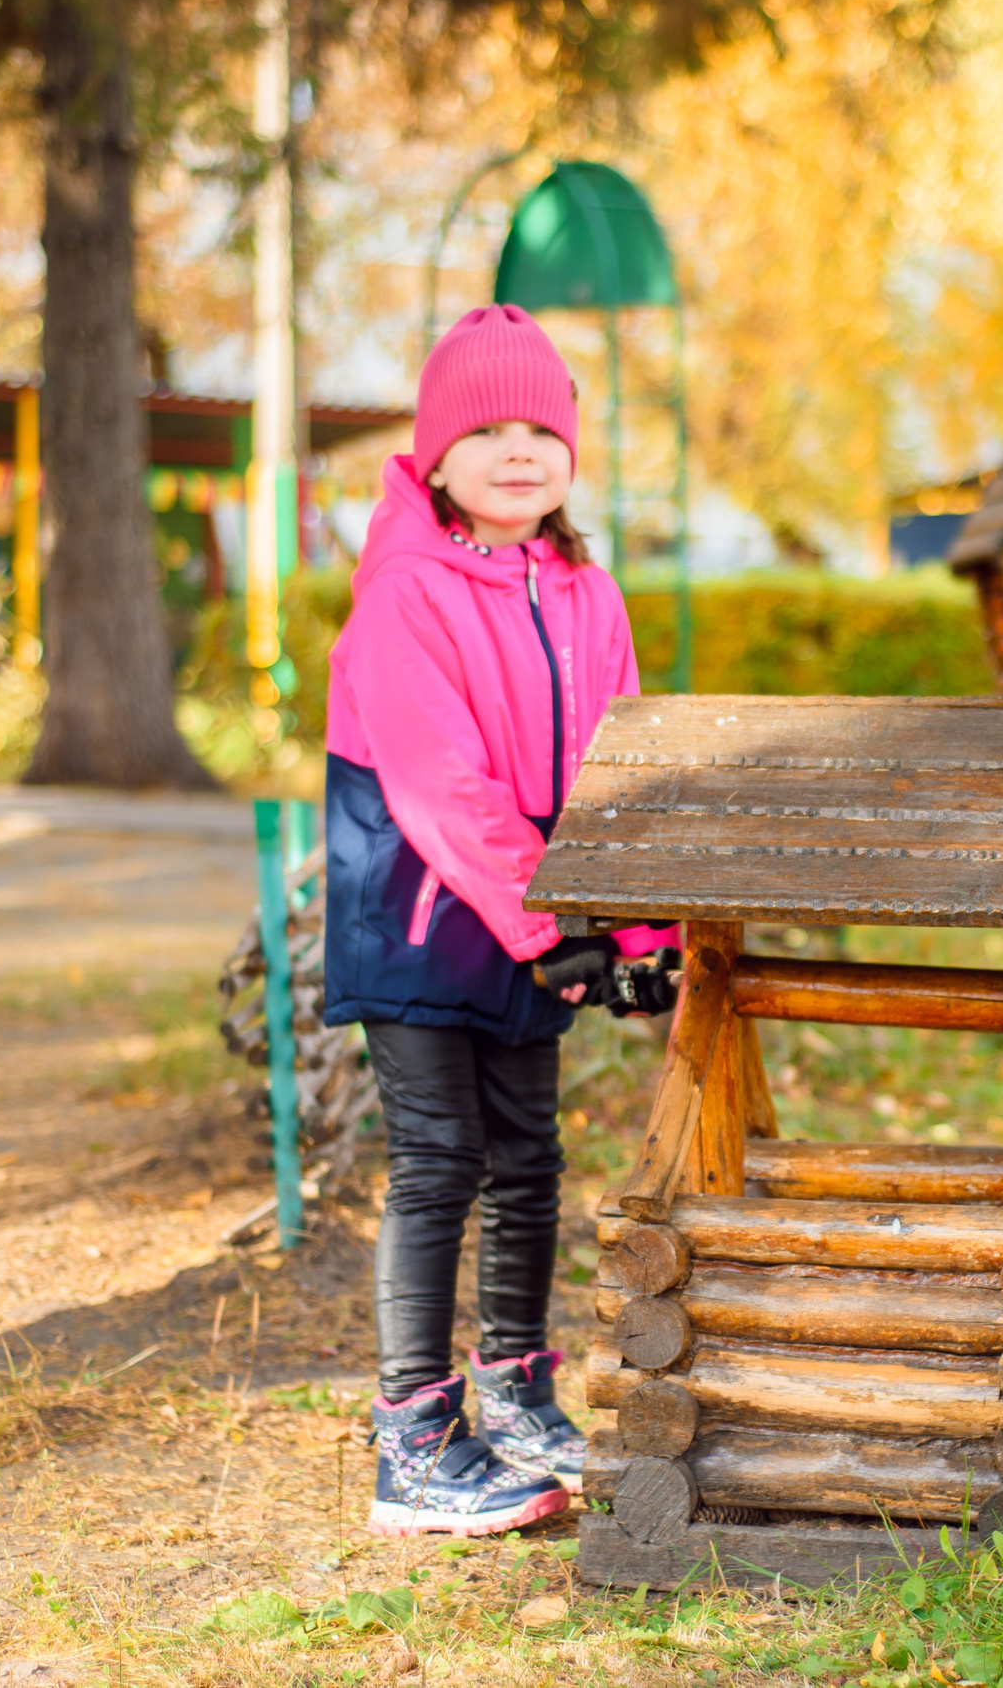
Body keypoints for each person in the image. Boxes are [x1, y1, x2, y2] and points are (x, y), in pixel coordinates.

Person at [324, 305, 680, 1538]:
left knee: (529, 1160)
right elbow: (437, 785)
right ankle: (413, 1443)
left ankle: (514, 1391)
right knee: (441, 1162)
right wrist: (548, 923)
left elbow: (614, 768)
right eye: (487, 428)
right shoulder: (405, 588)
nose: (519, 448)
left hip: (536, 918)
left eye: (543, 426)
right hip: (422, 916)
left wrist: (634, 932)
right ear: (435, 453)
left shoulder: (587, 590)